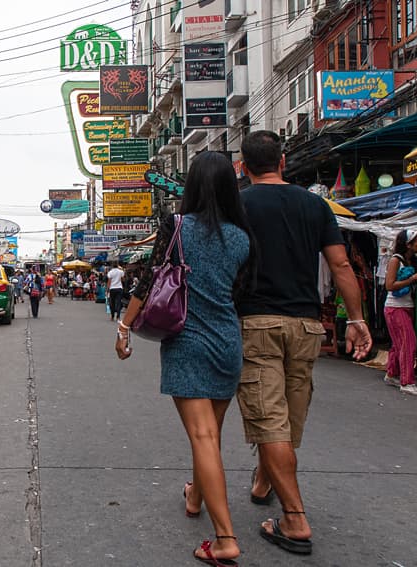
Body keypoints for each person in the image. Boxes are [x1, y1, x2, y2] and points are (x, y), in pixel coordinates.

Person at [236, 131, 372, 556]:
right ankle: (263, 481)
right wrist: (357, 319)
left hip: (256, 323)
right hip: (307, 326)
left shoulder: (237, 204)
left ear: (243, 167)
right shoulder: (314, 204)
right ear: (282, 160)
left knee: (269, 418)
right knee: (289, 417)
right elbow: (340, 263)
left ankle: (294, 520)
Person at [115, 151, 253, 566]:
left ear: (191, 186)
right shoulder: (242, 237)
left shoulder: (176, 227)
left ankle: (225, 538)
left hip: (188, 342)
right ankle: (195, 496)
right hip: (228, 344)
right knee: (209, 434)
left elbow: (148, 278)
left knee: (203, 437)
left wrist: (124, 329)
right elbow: (238, 295)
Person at [383, 229, 417, 396]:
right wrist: (412, 279)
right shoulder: (396, 260)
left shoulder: (412, 261)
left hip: (406, 307)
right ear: (408, 244)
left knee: (398, 343)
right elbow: (389, 285)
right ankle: (407, 382)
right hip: (395, 308)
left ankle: (391, 374)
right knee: (409, 342)